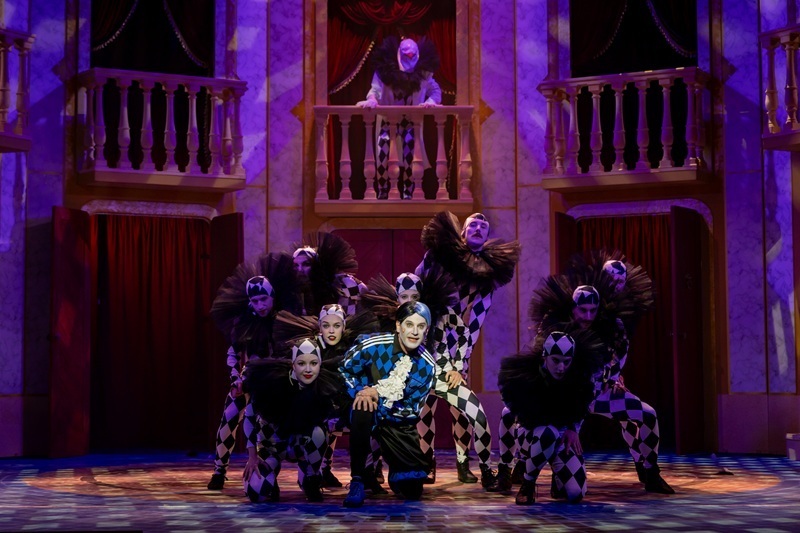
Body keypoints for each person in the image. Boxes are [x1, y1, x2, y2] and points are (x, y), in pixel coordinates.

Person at [529, 268, 675, 495]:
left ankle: (651, 472)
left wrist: (612, 377)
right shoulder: (557, 328)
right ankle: (542, 475)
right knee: (557, 444)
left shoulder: (611, 326)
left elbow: (621, 350)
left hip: (598, 394)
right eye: (583, 310)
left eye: (593, 310)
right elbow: (542, 360)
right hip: (567, 401)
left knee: (647, 414)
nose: (588, 316)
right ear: (573, 308)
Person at [415, 211, 520, 483]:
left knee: (461, 408)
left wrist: (461, 360)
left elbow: (476, 319)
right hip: (427, 340)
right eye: (473, 224)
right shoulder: (438, 256)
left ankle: (463, 463)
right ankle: (427, 462)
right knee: (425, 405)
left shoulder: (486, 270)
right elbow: (416, 285)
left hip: (458, 342)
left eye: (483, 227)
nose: (478, 229)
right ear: (462, 232)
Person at [206, 252, 299, 491]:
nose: (260, 305)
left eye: (264, 299)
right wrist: (235, 378)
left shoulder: (285, 318)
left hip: (280, 378)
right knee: (230, 415)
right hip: (251, 376)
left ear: (272, 297)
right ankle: (219, 470)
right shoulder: (245, 321)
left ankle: (310, 470)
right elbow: (232, 353)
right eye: (255, 301)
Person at [339, 301, 437, 508]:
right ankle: (357, 480)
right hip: (361, 408)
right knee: (364, 406)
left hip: (397, 421)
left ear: (426, 330)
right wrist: (361, 392)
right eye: (409, 324)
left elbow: (411, 411)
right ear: (398, 326)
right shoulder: (373, 345)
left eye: (420, 326)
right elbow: (344, 370)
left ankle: (395, 470)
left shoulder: (427, 366)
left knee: (412, 491)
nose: (414, 332)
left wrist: (378, 395)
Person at [272, 303, 380, 489]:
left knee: (373, 419)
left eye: (336, 326)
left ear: (344, 327)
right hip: (317, 405)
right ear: (319, 326)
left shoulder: (351, 348)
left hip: (344, 401)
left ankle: (366, 473)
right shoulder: (310, 348)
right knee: (317, 426)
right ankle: (316, 471)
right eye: (326, 325)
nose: (331, 331)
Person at [498, 328, 603, 505]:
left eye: (566, 362)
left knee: (575, 493)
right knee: (548, 433)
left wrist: (573, 429)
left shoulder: (578, 379)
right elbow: (514, 409)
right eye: (555, 360)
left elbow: (582, 406)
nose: (561, 368)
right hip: (532, 436)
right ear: (545, 356)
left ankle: (558, 476)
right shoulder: (527, 377)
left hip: (560, 438)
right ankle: (528, 484)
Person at [241, 337, 349, 503]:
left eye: (313, 363)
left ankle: (311, 477)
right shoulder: (273, 383)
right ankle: (272, 478)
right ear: (293, 365)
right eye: (301, 363)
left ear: (320, 364)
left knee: (319, 432)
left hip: (300, 448)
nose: (308, 369)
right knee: (257, 492)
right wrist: (252, 456)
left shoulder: (323, 387)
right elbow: (248, 415)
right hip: (272, 447)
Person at [357, 36, 441, 199]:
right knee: (382, 154)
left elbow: (435, 91)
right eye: (405, 55)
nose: (409, 58)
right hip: (388, 120)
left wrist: (430, 102)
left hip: (409, 122)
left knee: (410, 156)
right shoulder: (384, 71)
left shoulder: (424, 74)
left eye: (412, 55)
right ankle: (383, 191)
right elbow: (375, 90)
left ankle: (408, 192)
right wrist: (372, 100)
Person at [292, 231, 366, 317]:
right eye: (296, 265)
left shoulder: (344, 283)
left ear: (316, 265)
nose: (300, 269)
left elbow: (365, 296)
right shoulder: (294, 289)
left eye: (306, 264)